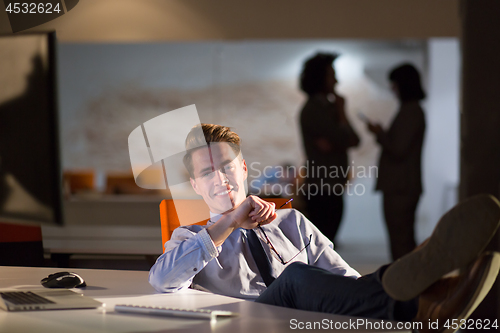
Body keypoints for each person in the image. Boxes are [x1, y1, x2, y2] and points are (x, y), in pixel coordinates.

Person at [149, 123, 500, 333]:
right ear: (195, 185)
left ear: (242, 168)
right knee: (295, 277)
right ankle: (426, 302)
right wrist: (231, 220)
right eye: (207, 173)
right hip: (247, 322)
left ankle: (425, 294)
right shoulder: (190, 239)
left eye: (225, 166)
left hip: (308, 322)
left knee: (336, 283)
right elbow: (162, 279)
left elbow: (345, 283)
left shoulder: (290, 221)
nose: (220, 179)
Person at [299, 52, 360, 243]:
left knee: (327, 242)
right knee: (323, 244)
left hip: (331, 184)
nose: (336, 80)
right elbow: (345, 138)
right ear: (319, 78)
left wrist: (341, 116)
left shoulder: (329, 108)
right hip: (321, 186)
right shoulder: (313, 110)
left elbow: (354, 140)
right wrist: (341, 115)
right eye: (331, 75)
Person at [367, 63, 426, 261]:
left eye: (394, 84)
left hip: (401, 187)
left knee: (401, 243)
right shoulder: (411, 111)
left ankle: (405, 290)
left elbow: (399, 149)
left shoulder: (411, 112)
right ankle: (406, 288)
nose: (392, 89)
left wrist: (380, 134)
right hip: (402, 186)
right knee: (402, 240)